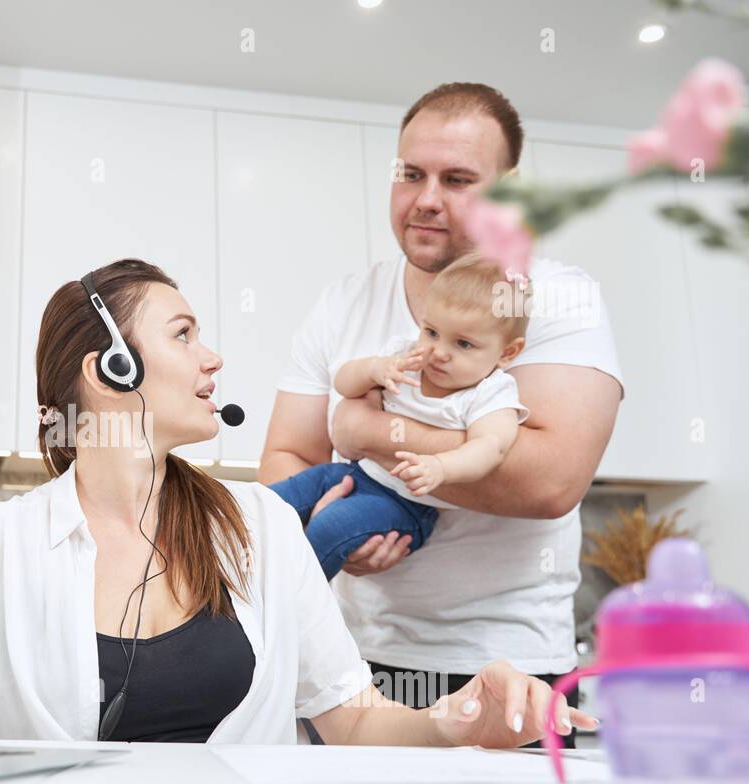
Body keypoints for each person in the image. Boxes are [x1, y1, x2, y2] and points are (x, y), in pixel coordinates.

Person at [0, 258, 597, 747]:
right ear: (111, 369)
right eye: (184, 335)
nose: (213, 358)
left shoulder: (262, 525)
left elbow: (350, 719)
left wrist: (461, 717)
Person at [259, 83, 625, 746]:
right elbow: (286, 457)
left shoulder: (558, 300)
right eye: (410, 174)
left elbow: (548, 482)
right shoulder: (344, 302)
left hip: (507, 671)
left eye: (457, 179)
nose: (426, 198)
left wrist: (367, 432)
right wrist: (326, 524)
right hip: (347, 672)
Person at [268, 253, 530, 579]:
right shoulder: (407, 356)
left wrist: (441, 466)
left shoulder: (490, 393)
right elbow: (344, 383)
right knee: (272, 502)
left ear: (507, 353)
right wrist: (373, 369)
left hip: (407, 506)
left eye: (463, 343)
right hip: (357, 473)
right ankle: (231, 584)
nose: (439, 352)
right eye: (432, 332)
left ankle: (285, 610)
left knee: (330, 527)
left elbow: (491, 447)